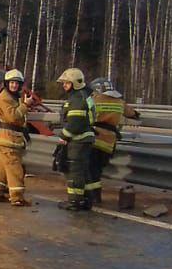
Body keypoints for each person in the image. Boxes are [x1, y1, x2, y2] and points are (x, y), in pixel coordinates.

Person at [87, 77, 140, 205]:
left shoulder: (92, 100)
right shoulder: (119, 102)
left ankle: (94, 196)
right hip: (109, 142)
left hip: (94, 138)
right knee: (97, 169)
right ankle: (94, 195)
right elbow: (133, 114)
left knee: (90, 170)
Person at [0, 69, 38, 206]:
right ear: (6, 83)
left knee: (3, 166)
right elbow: (13, 117)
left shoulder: (11, 97)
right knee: (15, 169)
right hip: (8, 138)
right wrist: (25, 105)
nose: (14, 86)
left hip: (8, 138)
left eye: (17, 83)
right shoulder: (5, 97)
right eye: (12, 83)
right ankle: (17, 198)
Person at [57, 68, 95, 211]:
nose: (64, 86)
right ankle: (87, 199)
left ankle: (74, 201)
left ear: (74, 83)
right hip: (84, 139)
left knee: (75, 171)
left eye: (66, 83)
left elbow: (75, 122)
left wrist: (64, 136)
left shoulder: (77, 98)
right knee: (83, 170)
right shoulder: (83, 95)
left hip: (78, 140)